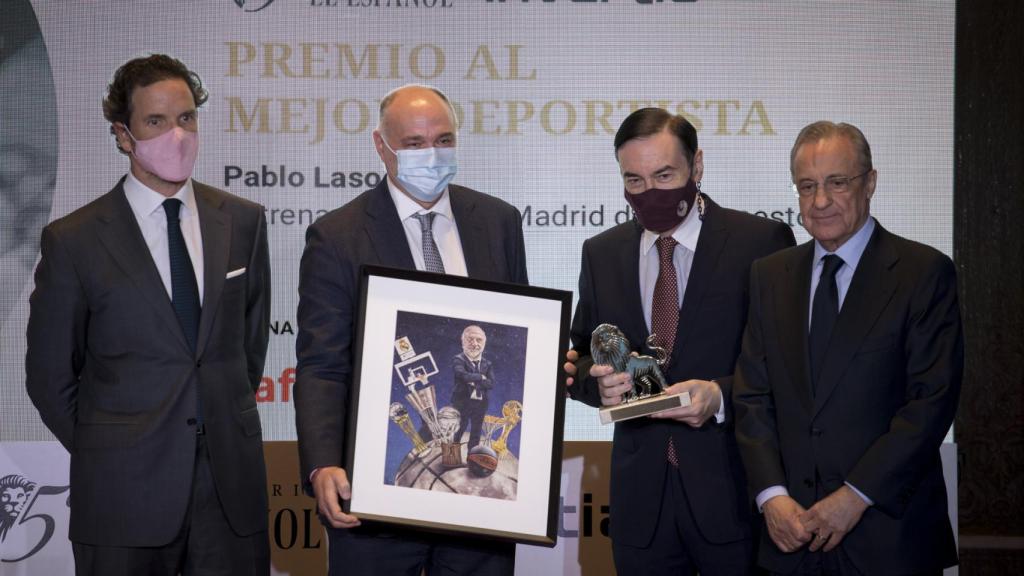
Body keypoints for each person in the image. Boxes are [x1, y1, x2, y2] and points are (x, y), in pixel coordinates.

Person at [25, 54, 271, 576]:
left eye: (186, 118)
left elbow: (247, 351)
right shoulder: (74, 240)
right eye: (155, 122)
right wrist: (112, 449)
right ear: (123, 133)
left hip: (229, 491)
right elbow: (49, 376)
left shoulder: (242, 222)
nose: (175, 135)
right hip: (121, 495)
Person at [294, 84, 528, 575]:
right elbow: (322, 364)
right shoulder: (337, 236)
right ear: (382, 146)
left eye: (444, 140)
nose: (433, 155)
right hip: (376, 488)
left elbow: (519, 335)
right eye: (415, 144)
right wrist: (322, 462)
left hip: (477, 499)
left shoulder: (497, 221)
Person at [565, 107, 795, 575]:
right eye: (634, 181)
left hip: (733, 490)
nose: (649, 192)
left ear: (698, 166)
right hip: (639, 507)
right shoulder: (601, 253)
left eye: (664, 174)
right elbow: (580, 353)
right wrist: (597, 384)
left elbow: (791, 367)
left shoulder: (760, 242)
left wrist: (720, 396)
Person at [733, 121, 961, 575]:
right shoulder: (768, 276)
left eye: (837, 183)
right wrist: (771, 497)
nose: (820, 201)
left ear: (870, 182)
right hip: (789, 540)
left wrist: (855, 496)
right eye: (807, 186)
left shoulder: (923, 273)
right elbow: (751, 396)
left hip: (888, 541)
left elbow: (930, 403)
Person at [451, 325, 495, 448]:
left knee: (476, 431)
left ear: (484, 343)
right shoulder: (458, 359)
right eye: (470, 339)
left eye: (479, 340)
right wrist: (481, 377)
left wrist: (472, 379)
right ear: (463, 342)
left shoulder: (488, 363)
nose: (474, 343)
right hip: (461, 402)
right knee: (458, 429)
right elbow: (462, 375)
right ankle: (452, 456)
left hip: (480, 403)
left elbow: (491, 384)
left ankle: (472, 457)